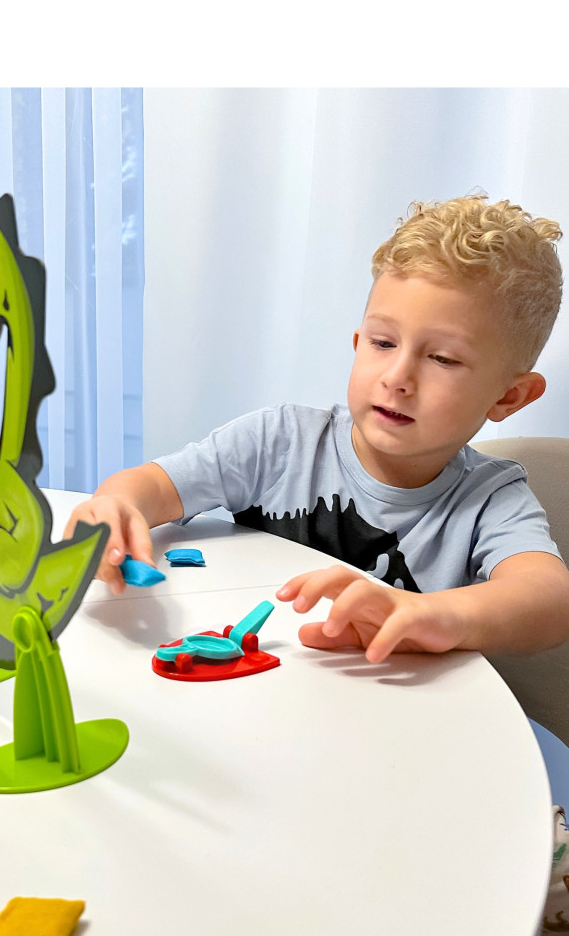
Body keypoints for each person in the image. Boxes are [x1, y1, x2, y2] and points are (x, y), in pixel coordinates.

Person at [64, 195, 569, 664]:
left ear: (508, 397)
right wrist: (116, 508)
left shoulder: (490, 498)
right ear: (358, 342)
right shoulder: (280, 441)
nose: (397, 378)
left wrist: (434, 615)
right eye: (383, 343)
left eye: (442, 358)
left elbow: (550, 600)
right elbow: (153, 487)